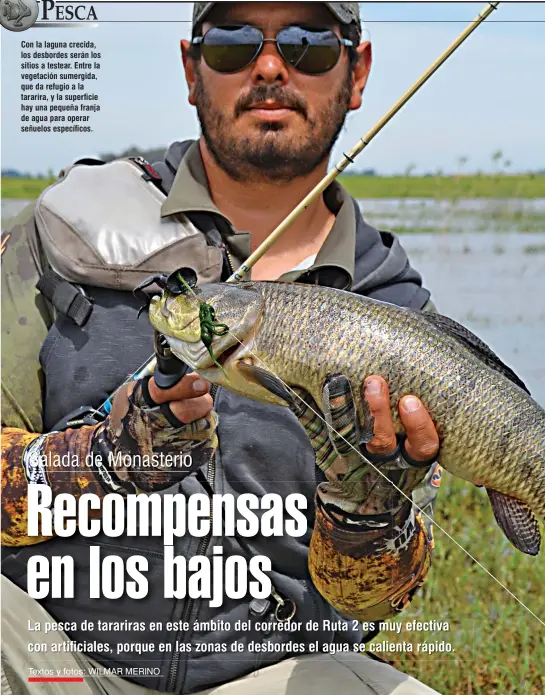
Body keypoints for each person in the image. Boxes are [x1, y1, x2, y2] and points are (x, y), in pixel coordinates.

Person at [1, 3, 445, 694]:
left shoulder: (397, 315)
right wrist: (103, 460)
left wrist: (366, 506)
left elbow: (372, 601)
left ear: (355, 73)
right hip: (50, 666)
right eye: (234, 43)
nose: (270, 66)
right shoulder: (67, 229)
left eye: (308, 44)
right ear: (191, 68)